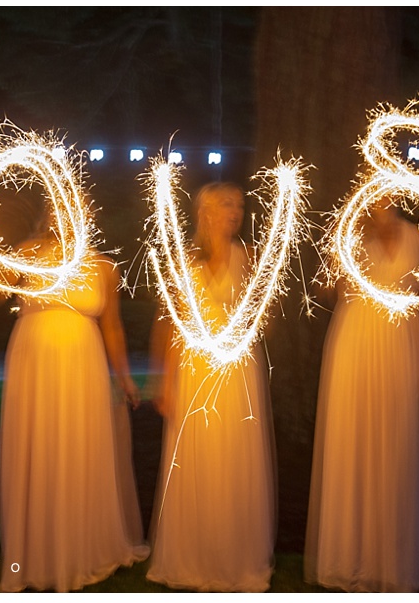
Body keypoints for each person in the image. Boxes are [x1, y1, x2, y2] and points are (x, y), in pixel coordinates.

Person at [304, 200, 419, 592]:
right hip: (354, 343)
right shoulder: (349, 236)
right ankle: (349, 556)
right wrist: (336, 255)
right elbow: (326, 290)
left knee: (396, 446)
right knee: (355, 443)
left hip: (399, 345)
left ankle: (395, 556)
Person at [0, 228, 148, 593]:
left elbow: (112, 325)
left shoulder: (102, 265)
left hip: (83, 365)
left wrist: (124, 377)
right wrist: (0, 256)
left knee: (78, 449)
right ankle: (36, 552)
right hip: (33, 365)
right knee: (39, 449)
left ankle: (82, 546)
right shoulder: (27, 251)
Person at [146, 182, 276, 592]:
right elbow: (166, 324)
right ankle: (194, 555)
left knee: (235, 453)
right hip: (195, 369)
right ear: (205, 213)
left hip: (237, 368)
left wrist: (246, 323)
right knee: (198, 453)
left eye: (239, 205)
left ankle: (235, 556)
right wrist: (162, 380)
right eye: (226, 204)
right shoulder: (183, 261)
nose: (235, 212)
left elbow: (264, 320)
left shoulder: (250, 258)